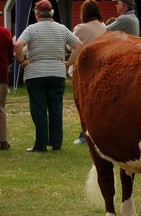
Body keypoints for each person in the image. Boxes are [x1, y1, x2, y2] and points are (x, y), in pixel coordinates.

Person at [14, 0, 83, 152]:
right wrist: (68, 62)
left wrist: (21, 61)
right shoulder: (62, 28)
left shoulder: (31, 29)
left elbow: (18, 45)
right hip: (57, 72)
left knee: (39, 109)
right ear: (51, 13)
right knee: (56, 108)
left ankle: (41, 143)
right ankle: (56, 143)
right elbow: (78, 45)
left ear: (36, 13)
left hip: (36, 73)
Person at [69, 0, 106, 145]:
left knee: (83, 104)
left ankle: (85, 134)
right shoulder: (103, 26)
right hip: (99, 67)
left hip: (83, 69)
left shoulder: (81, 28)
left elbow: (69, 44)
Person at [0, 11, 14, 150]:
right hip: (1, 74)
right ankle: (2, 140)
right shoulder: (5, 33)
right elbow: (10, 55)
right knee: (1, 108)